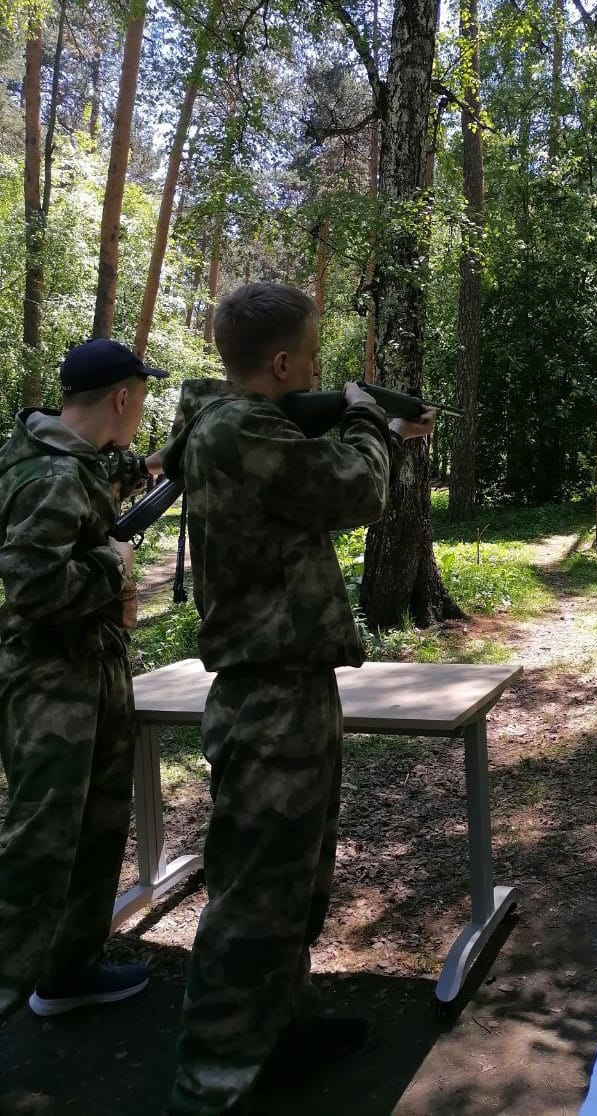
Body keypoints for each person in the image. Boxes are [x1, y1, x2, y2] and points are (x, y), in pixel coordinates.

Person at [161, 281, 434, 1116]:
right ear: (281, 364)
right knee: (255, 896)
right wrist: (368, 421)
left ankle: (279, 1033)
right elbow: (357, 490)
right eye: (311, 359)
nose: (317, 371)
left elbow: (300, 466)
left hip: (290, 682)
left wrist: (362, 420)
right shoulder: (240, 428)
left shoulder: (238, 423)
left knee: (295, 883)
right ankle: (210, 1083)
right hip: (269, 688)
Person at [0, 338, 168, 1024]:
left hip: (87, 671)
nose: (141, 411)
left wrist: (155, 464)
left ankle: (67, 973)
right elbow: (34, 588)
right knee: (40, 846)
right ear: (123, 398)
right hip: (52, 685)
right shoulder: (51, 476)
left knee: (97, 830)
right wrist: (113, 563)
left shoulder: (67, 455)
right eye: (142, 399)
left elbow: (103, 474)